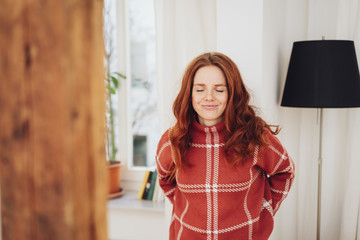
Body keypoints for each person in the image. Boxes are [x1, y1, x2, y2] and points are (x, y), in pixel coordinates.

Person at [156, 52, 295, 240]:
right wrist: (189, 208)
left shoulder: (256, 136)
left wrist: (264, 209)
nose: (209, 97)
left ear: (232, 94)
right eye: (200, 90)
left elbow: (285, 172)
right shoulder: (172, 140)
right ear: (189, 94)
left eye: (219, 90)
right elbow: (165, 179)